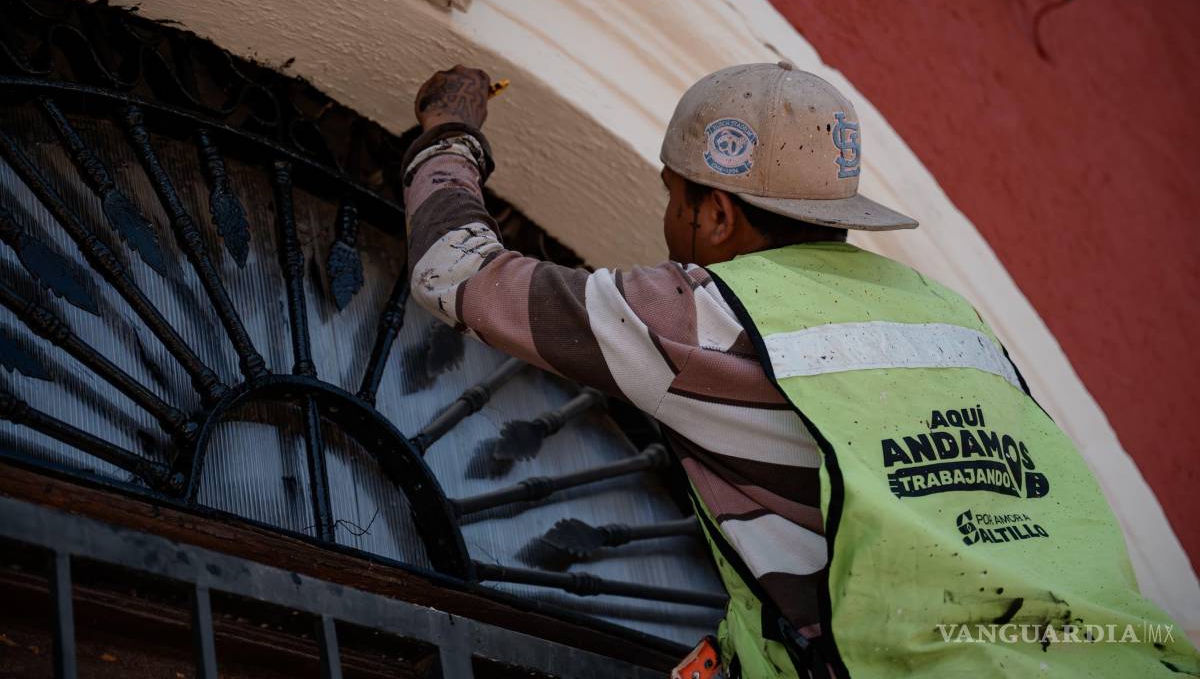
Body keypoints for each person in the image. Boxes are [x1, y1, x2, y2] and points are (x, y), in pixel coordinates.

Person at [400, 63, 1197, 678]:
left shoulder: (700, 314)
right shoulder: (944, 312)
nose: (670, 217)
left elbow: (456, 273)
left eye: (674, 196)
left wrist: (448, 132)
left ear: (715, 213)